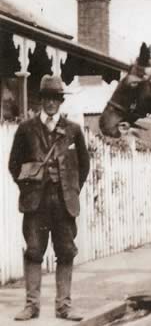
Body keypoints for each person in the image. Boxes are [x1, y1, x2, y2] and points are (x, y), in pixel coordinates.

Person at [7, 75, 89, 321]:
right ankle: (31, 306)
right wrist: (29, 187)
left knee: (66, 252)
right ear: (41, 100)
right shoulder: (26, 129)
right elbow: (14, 165)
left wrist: (71, 190)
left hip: (64, 204)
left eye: (56, 98)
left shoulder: (73, 130)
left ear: (61, 101)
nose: (51, 103)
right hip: (36, 204)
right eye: (47, 98)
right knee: (34, 251)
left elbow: (83, 166)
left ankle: (64, 306)